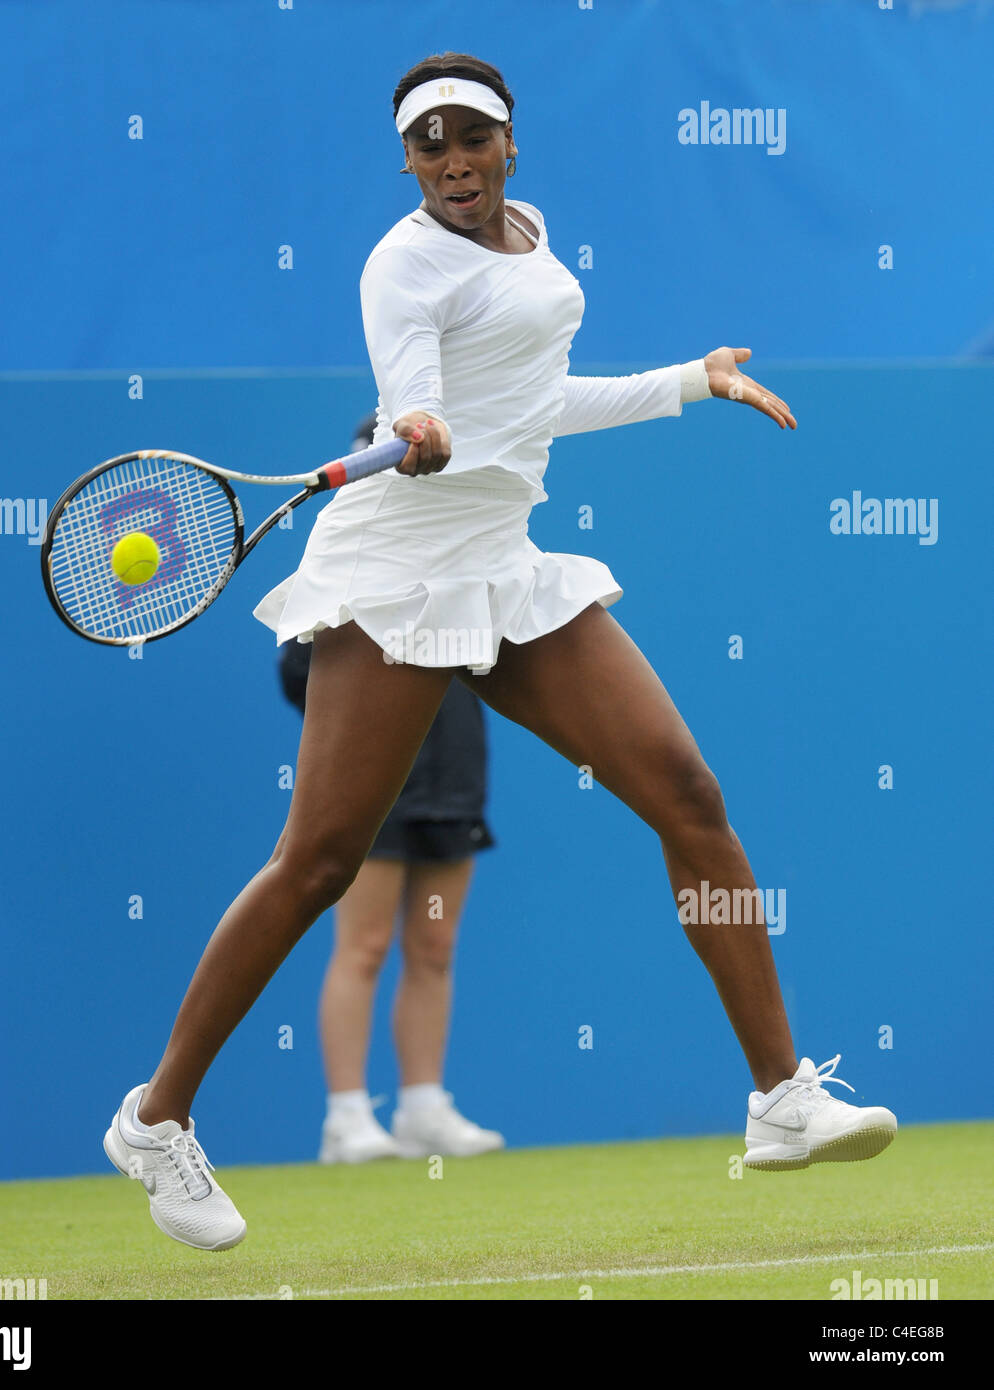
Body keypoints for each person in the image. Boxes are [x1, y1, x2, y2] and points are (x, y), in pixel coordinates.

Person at [103, 52, 897, 1252]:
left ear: (509, 143)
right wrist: (418, 424)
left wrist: (690, 382)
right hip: (397, 577)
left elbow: (535, 401)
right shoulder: (400, 262)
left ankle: (780, 1095)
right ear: (407, 160)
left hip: (505, 563)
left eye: (471, 137)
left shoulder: (527, 233)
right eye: (430, 146)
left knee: (688, 794)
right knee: (318, 861)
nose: (454, 162)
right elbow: (421, 395)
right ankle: (156, 1120)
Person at [279, 416, 502, 1164]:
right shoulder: (344, 555)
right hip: (372, 783)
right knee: (364, 944)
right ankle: (346, 1118)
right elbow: (295, 675)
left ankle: (423, 1107)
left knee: (435, 944)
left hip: (454, 777)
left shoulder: (464, 541)